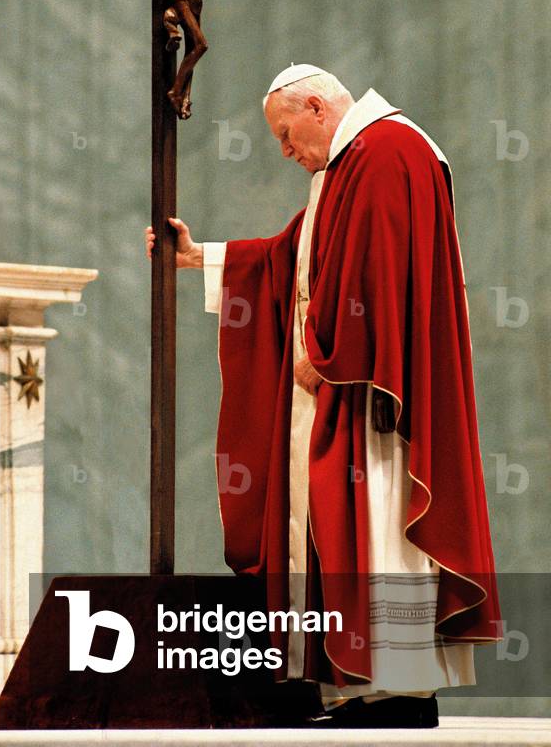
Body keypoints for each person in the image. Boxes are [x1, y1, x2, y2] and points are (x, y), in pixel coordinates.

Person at [144, 64, 502, 729]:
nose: (284, 149)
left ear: (315, 105)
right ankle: (346, 683)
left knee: (373, 525)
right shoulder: (343, 166)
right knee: (332, 530)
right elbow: (293, 258)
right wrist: (202, 258)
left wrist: (331, 354)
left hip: (371, 402)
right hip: (337, 384)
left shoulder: (387, 151)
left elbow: (384, 275)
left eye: (285, 133)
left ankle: (395, 690)